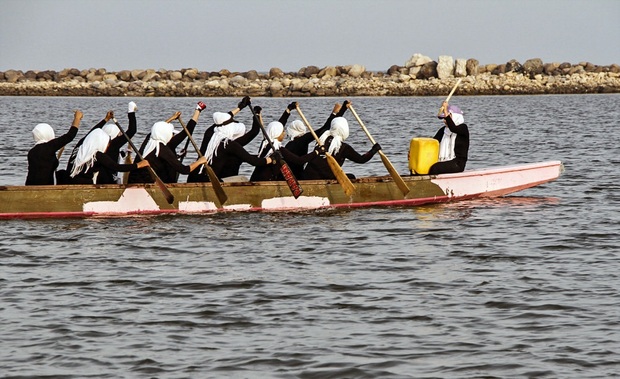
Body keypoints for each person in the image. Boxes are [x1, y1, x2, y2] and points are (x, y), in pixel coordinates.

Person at [127, 102, 208, 184]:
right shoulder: (163, 148)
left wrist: (172, 118)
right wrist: (200, 161)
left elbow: (157, 128)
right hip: (145, 184)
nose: (172, 136)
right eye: (171, 134)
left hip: (132, 180)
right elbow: (184, 170)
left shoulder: (149, 139)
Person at [188, 96, 264, 182]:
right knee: (243, 179)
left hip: (192, 177)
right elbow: (254, 132)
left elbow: (221, 120)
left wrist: (240, 107)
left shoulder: (209, 133)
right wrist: (257, 114)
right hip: (208, 182)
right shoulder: (229, 144)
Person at [284, 100, 350, 178]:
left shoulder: (288, 144)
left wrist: (288, 110)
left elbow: (280, 124)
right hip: (298, 176)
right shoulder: (303, 140)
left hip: (289, 176)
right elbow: (325, 128)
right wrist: (337, 112)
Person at [303, 116, 381, 180]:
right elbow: (361, 159)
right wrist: (374, 150)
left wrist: (342, 108)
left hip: (307, 175)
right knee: (352, 177)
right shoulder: (344, 148)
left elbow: (327, 125)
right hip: (324, 177)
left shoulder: (321, 138)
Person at [203, 116, 274, 182]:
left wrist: (256, 115)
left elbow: (219, 122)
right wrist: (271, 159)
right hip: (217, 181)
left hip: (204, 177)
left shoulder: (212, 139)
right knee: (244, 179)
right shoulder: (230, 145)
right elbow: (254, 161)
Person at [68, 129, 150, 184]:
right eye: (107, 143)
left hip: (72, 181)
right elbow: (117, 167)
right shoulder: (97, 155)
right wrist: (138, 165)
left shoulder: (79, 150)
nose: (107, 146)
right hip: (86, 185)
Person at [249, 120, 319, 182]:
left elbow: (277, 125)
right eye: (282, 131)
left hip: (254, 178)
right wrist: (316, 152)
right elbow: (299, 161)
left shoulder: (265, 144)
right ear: (277, 133)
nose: (284, 134)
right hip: (266, 182)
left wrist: (287, 111)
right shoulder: (279, 149)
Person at [25, 110, 82, 185]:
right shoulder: (49, 147)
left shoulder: (32, 152)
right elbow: (70, 135)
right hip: (45, 187)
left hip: (29, 185)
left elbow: (43, 167)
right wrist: (77, 118)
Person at [428, 101, 469, 175]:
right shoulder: (443, 130)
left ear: (456, 116)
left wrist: (445, 110)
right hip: (444, 161)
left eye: (446, 117)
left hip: (458, 163)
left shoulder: (463, 128)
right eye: (444, 118)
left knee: (435, 168)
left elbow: (453, 128)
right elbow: (432, 143)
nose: (444, 121)